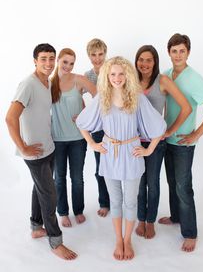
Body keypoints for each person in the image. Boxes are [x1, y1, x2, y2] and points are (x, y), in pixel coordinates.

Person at [76, 56, 167, 260]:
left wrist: (149, 150)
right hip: (110, 154)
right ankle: (118, 239)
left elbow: (158, 126)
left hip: (132, 152)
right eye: (113, 74)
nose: (117, 77)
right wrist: (92, 143)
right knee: (115, 201)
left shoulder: (137, 97)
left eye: (121, 73)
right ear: (107, 76)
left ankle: (128, 240)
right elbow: (82, 123)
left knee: (131, 202)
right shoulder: (102, 98)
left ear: (127, 75)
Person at [5, 43, 77, 260]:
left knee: (40, 189)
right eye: (43, 58)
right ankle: (55, 242)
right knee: (49, 194)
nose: (48, 63)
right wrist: (23, 147)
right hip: (34, 153)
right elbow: (10, 118)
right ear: (35, 61)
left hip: (49, 147)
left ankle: (36, 226)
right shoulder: (28, 84)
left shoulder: (46, 82)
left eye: (51, 58)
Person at [158, 33, 203, 252]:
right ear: (169, 53)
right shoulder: (166, 75)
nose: (178, 55)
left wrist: (197, 134)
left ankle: (190, 232)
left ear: (188, 52)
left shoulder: (194, 78)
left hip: (183, 142)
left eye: (182, 51)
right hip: (166, 139)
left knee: (183, 186)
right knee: (172, 182)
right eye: (174, 51)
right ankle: (176, 216)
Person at [134, 45, 192, 239]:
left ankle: (150, 222)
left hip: (156, 143)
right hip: (135, 142)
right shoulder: (131, 81)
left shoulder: (163, 80)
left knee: (153, 183)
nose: (144, 64)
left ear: (155, 62)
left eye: (149, 60)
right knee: (139, 185)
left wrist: (170, 131)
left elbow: (186, 107)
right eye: (141, 60)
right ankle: (140, 219)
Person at [51, 48, 96, 228]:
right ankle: (62, 212)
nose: (68, 66)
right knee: (59, 178)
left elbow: (101, 98)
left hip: (78, 139)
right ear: (58, 61)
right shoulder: (49, 83)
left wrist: (87, 115)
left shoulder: (79, 79)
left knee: (77, 178)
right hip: (57, 140)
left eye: (71, 63)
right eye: (65, 62)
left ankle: (78, 210)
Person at [84, 38, 110, 217]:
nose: (97, 58)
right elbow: (74, 93)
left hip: (116, 126)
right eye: (93, 55)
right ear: (89, 56)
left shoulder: (113, 70)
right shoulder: (87, 76)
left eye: (100, 54)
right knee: (101, 167)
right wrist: (83, 115)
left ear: (105, 54)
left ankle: (121, 201)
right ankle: (104, 202)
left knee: (120, 165)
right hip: (98, 129)